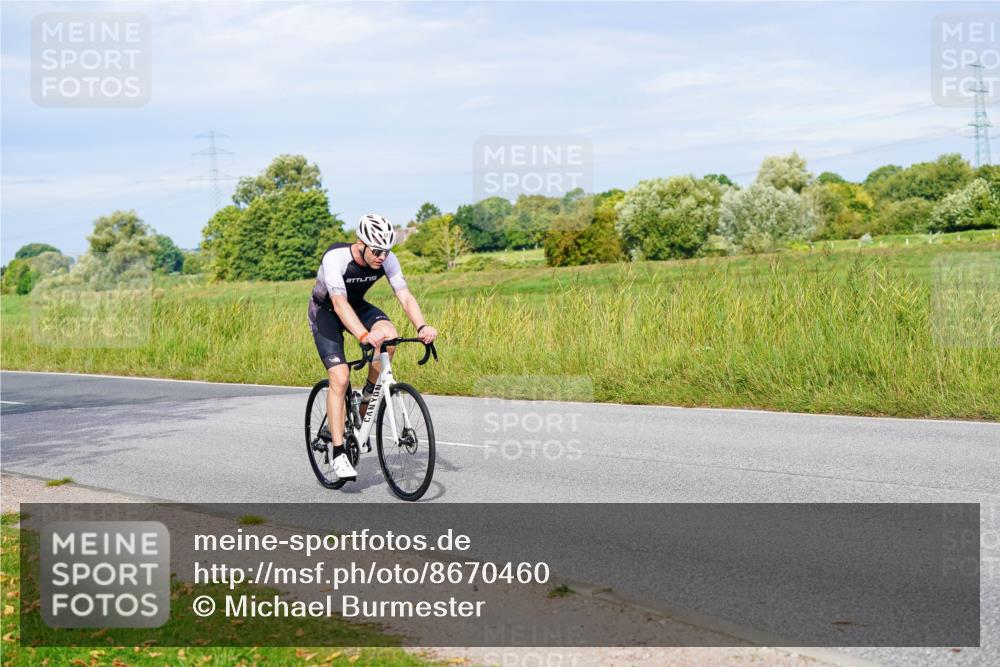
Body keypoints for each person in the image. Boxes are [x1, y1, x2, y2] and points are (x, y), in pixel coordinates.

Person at [308, 213, 438, 481]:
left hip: (356, 306)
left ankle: (368, 394)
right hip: (326, 311)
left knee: (390, 336)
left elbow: (404, 295)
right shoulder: (336, 258)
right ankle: (338, 450)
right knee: (340, 377)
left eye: (386, 251)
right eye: (377, 250)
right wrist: (363, 334)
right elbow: (339, 303)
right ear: (361, 243)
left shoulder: (387, 259)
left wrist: (422, 326)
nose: (382, 256)